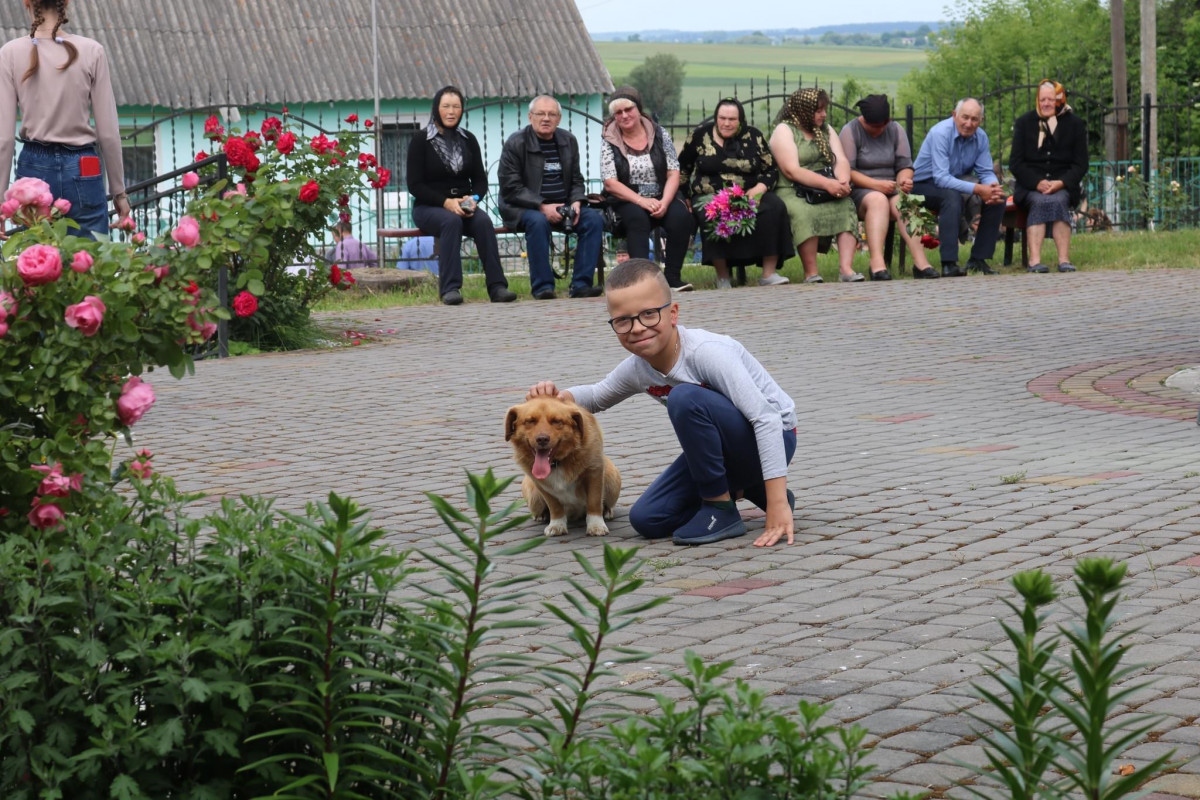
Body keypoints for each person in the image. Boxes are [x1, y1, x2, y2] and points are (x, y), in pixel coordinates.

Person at [527, 258, 798, 548]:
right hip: (729, 452)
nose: (638, 327)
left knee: (685, 397)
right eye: (623, 320)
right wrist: (559, 397)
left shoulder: (707, 353)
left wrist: (778, 504)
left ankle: (721, 509)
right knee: (648, 519)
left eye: (649, 314)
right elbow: (596, 395)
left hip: (775, 438)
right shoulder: (638, 367)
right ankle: (751, 486)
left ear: (673, 313)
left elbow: (766, 419)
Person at [0, 0, 131, 238]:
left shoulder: (10, 53)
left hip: (33, 168)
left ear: (26, 3)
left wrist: (0, 203)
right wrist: (119, 192)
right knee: (89, 260)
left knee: (40, 260)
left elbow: (4, 140)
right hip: (84, 166)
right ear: (66, 4)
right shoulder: (93, 51)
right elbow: (109, 134)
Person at [406, 85, 517, 305]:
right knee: (451, 222)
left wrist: (472, 200)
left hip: (465, 204)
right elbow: (414, 185)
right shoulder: (421, 140)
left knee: (484, 222)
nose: (451, 111)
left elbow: (480, 181)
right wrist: (446, 202)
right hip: (430, 206)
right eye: (446, 106)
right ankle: (450, 288)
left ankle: (497, 287)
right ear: (436, 108)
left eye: (456, 106)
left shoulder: (468, 139)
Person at [678, 97, 793, 289]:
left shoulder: (754, 136)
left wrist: (759, 188)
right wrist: (685, 197)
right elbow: (682, 169)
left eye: (732, 119)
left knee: (775, 207)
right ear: (716, 118)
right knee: (710, 213)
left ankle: (768, 273)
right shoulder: (699, 136)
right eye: (722, 118)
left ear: (740, 120)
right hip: (710, 195)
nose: (726, 123)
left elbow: (771, 169)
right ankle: (723, 277)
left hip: (748, 193)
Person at [498, 95, 604, 300]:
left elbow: (576, 179)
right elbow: (511, 187)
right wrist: (542, 206)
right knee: (537, 222)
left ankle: (581, 285)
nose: (546, 118)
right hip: (523, 208)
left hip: (563, 205)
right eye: (540, 114)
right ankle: (543, 287)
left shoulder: (568, 141)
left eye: (551, 114)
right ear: (530, 117)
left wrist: (576, 201)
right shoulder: (516, 142)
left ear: (559, 119)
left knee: (593, 220)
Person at [600, 86, 696, 292]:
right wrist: (641, 201)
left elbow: (673, 173)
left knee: (680, 217)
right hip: (627, 197)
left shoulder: (660, 133)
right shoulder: (609, 138)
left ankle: (672, 278)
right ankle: (644, 283)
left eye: (629, 109)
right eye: (618, 112)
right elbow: (610, 182)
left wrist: (665, 202)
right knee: (638, 219)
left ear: (639, 109)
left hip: (662, 193)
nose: (625, 115)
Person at [838, 94, 939, 280]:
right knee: (878, 201)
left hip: (891, 189)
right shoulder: (850, 131)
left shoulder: (895, 129)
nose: (879, 130)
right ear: (864, 120)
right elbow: (848, 171)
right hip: (860, 191)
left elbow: (905, 166)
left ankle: (921, 263)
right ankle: (877, 263)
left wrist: (904, 180)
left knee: (904, 203)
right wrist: (876, 185)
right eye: (874, 126)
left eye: (883, 125)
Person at [769, 88, 861, 284]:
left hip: (825, 186)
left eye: (824, 109)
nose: (824, 114)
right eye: (818, 110)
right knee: (805, 212)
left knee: (845, 206)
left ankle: (846, 269)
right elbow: (791, 170)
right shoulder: (784, 130)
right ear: (803, 110)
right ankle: (811, 272)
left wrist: (842, 181)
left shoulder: (826, 130)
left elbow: (840, 160)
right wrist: (828, 184)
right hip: (793, 189)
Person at [911, 98, 1006, 277]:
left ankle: (978, 259)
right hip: (924, 185)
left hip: (954, 182)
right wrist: (978, 189)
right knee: (951, 197)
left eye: (974, 119)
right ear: (954, 115)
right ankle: (949, 263)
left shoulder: (981, 137)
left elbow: (985, 171)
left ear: (981, 120)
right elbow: (941, 178)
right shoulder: (940, 133)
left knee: (997, 198)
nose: (969, 123)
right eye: (965, 117)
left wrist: (992, 187)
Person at [1008, 80, 1089, 273]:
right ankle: (1035, 261)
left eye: (1051, 100)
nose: (1046, 103)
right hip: (1031, 187)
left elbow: (1081, 164)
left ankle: (1064, 260)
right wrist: (1037, 183)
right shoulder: (1024, 123)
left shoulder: (1075, 125)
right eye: (1042, 99)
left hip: (1063, 185)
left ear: (1060, 100)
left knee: (1059, 200)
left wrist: (1061, 183)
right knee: (1040, 201)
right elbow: (1015, 163)